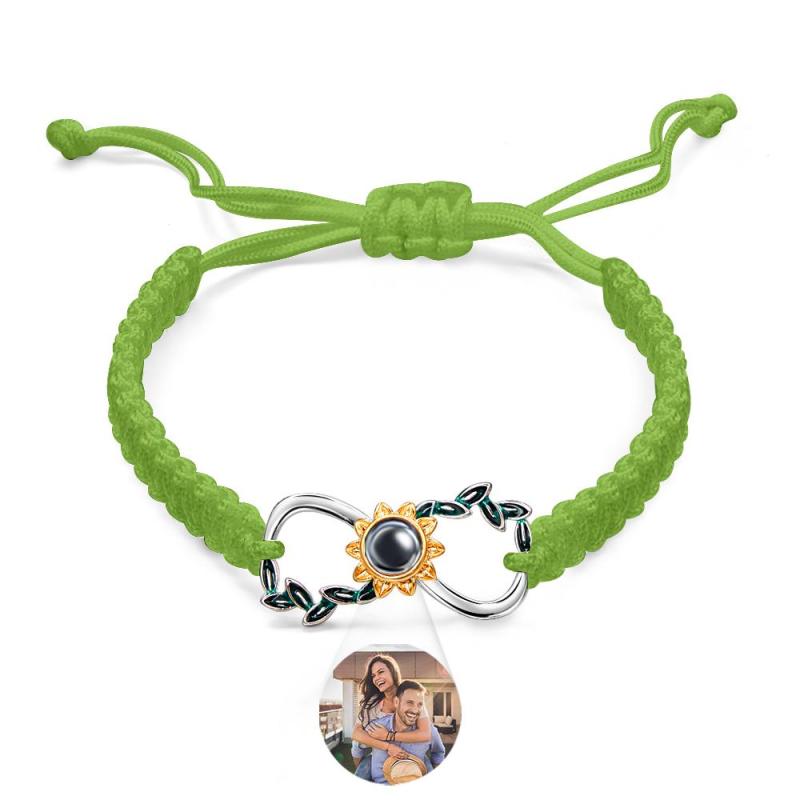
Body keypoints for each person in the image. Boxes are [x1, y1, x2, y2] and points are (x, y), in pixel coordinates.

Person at [350, 656, 436, 779]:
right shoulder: (372, 703)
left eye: (381, 672)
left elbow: (425, 734)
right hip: (380, 749)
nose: (376, 678)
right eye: (373, 676)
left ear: (393, 672)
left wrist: (388, 736)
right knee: (357, 746)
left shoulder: (410, 695)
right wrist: (388, 747)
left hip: (409, 750)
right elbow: (356, 733)